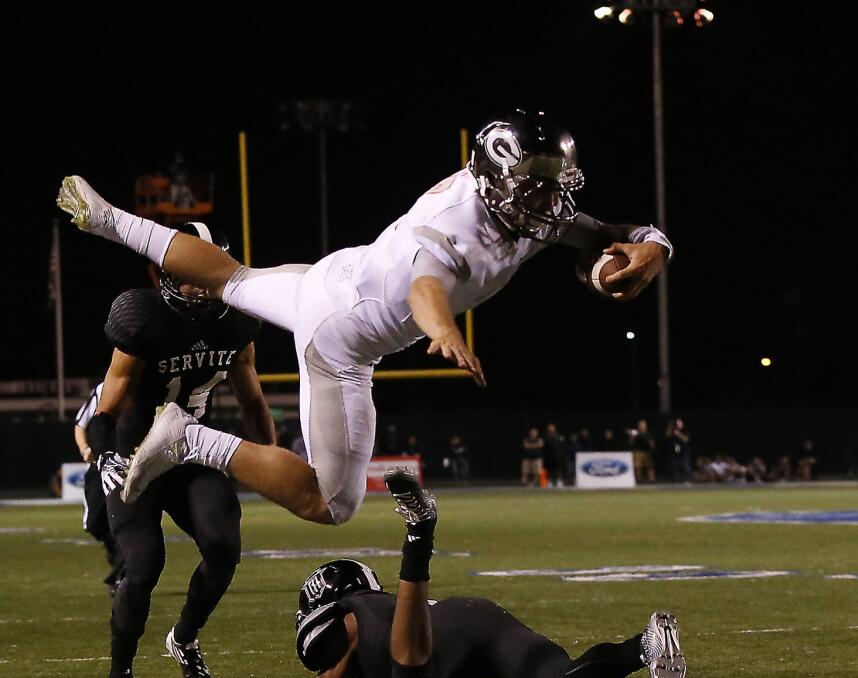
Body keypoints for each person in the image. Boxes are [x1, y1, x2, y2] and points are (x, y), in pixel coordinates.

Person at [58, 110, 673, 527]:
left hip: (331, 278)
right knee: (331, 502)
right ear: (495, 179)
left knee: (232, 278)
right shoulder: (458, 224)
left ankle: (111, 220)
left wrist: (655, 243)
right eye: (536, 183)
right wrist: (442, 331)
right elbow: (426, 282)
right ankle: (187, 437)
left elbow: (607, 232)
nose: (551, 198)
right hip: (341, 340)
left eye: (552, 183)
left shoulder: (516, 203)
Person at [275, 469, 685, 678]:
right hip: (475, 621)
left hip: (438, 644)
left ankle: (419, 534)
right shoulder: (382, 616)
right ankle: (644, 645)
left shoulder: (349, 617)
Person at [87, 223, 275, 678]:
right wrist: (105, 456)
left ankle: (185, 638)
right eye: (186, 274)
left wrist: (270, 460)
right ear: (167, 272)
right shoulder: (141, 316)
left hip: (190, 449)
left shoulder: (237, 321)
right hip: (134, 455)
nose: (196, 284)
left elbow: (252, 400)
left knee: (224, 544)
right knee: (144, 564)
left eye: (203, 270)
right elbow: (105, 408)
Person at [72, 381, 124, 593]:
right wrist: (85, 448)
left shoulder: (147, 384)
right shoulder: (103, 389)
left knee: (126, 521)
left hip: (128, 464)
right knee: (93, 523)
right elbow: (80, 425)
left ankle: (123, 577)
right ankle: (119, 559)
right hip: (99, 465)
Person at [665, 418, 691, 483]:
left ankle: (687, 480)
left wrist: (678, 434)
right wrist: (670, 427)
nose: (678, 425)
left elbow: (686, 439)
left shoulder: (685, 430)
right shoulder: (673, 430)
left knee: (686, 467)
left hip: (684, 452)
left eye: (679, 423)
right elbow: (667, 435)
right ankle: (675, 480)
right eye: (677, 424)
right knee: (674, 467)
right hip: (675, 451)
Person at [543, 422, 566, 488]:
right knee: (550, 470)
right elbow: (544, 446)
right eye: (549, 427)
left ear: (554, 428)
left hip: (558, 456)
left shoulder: (559, 436)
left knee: (558, 469)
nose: (551, 428)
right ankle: (550, 482)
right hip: (549, 456)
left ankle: (559, 481)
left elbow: (562, 445)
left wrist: (561, 454)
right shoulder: (546, 436)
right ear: (548, 429)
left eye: (552, 427)